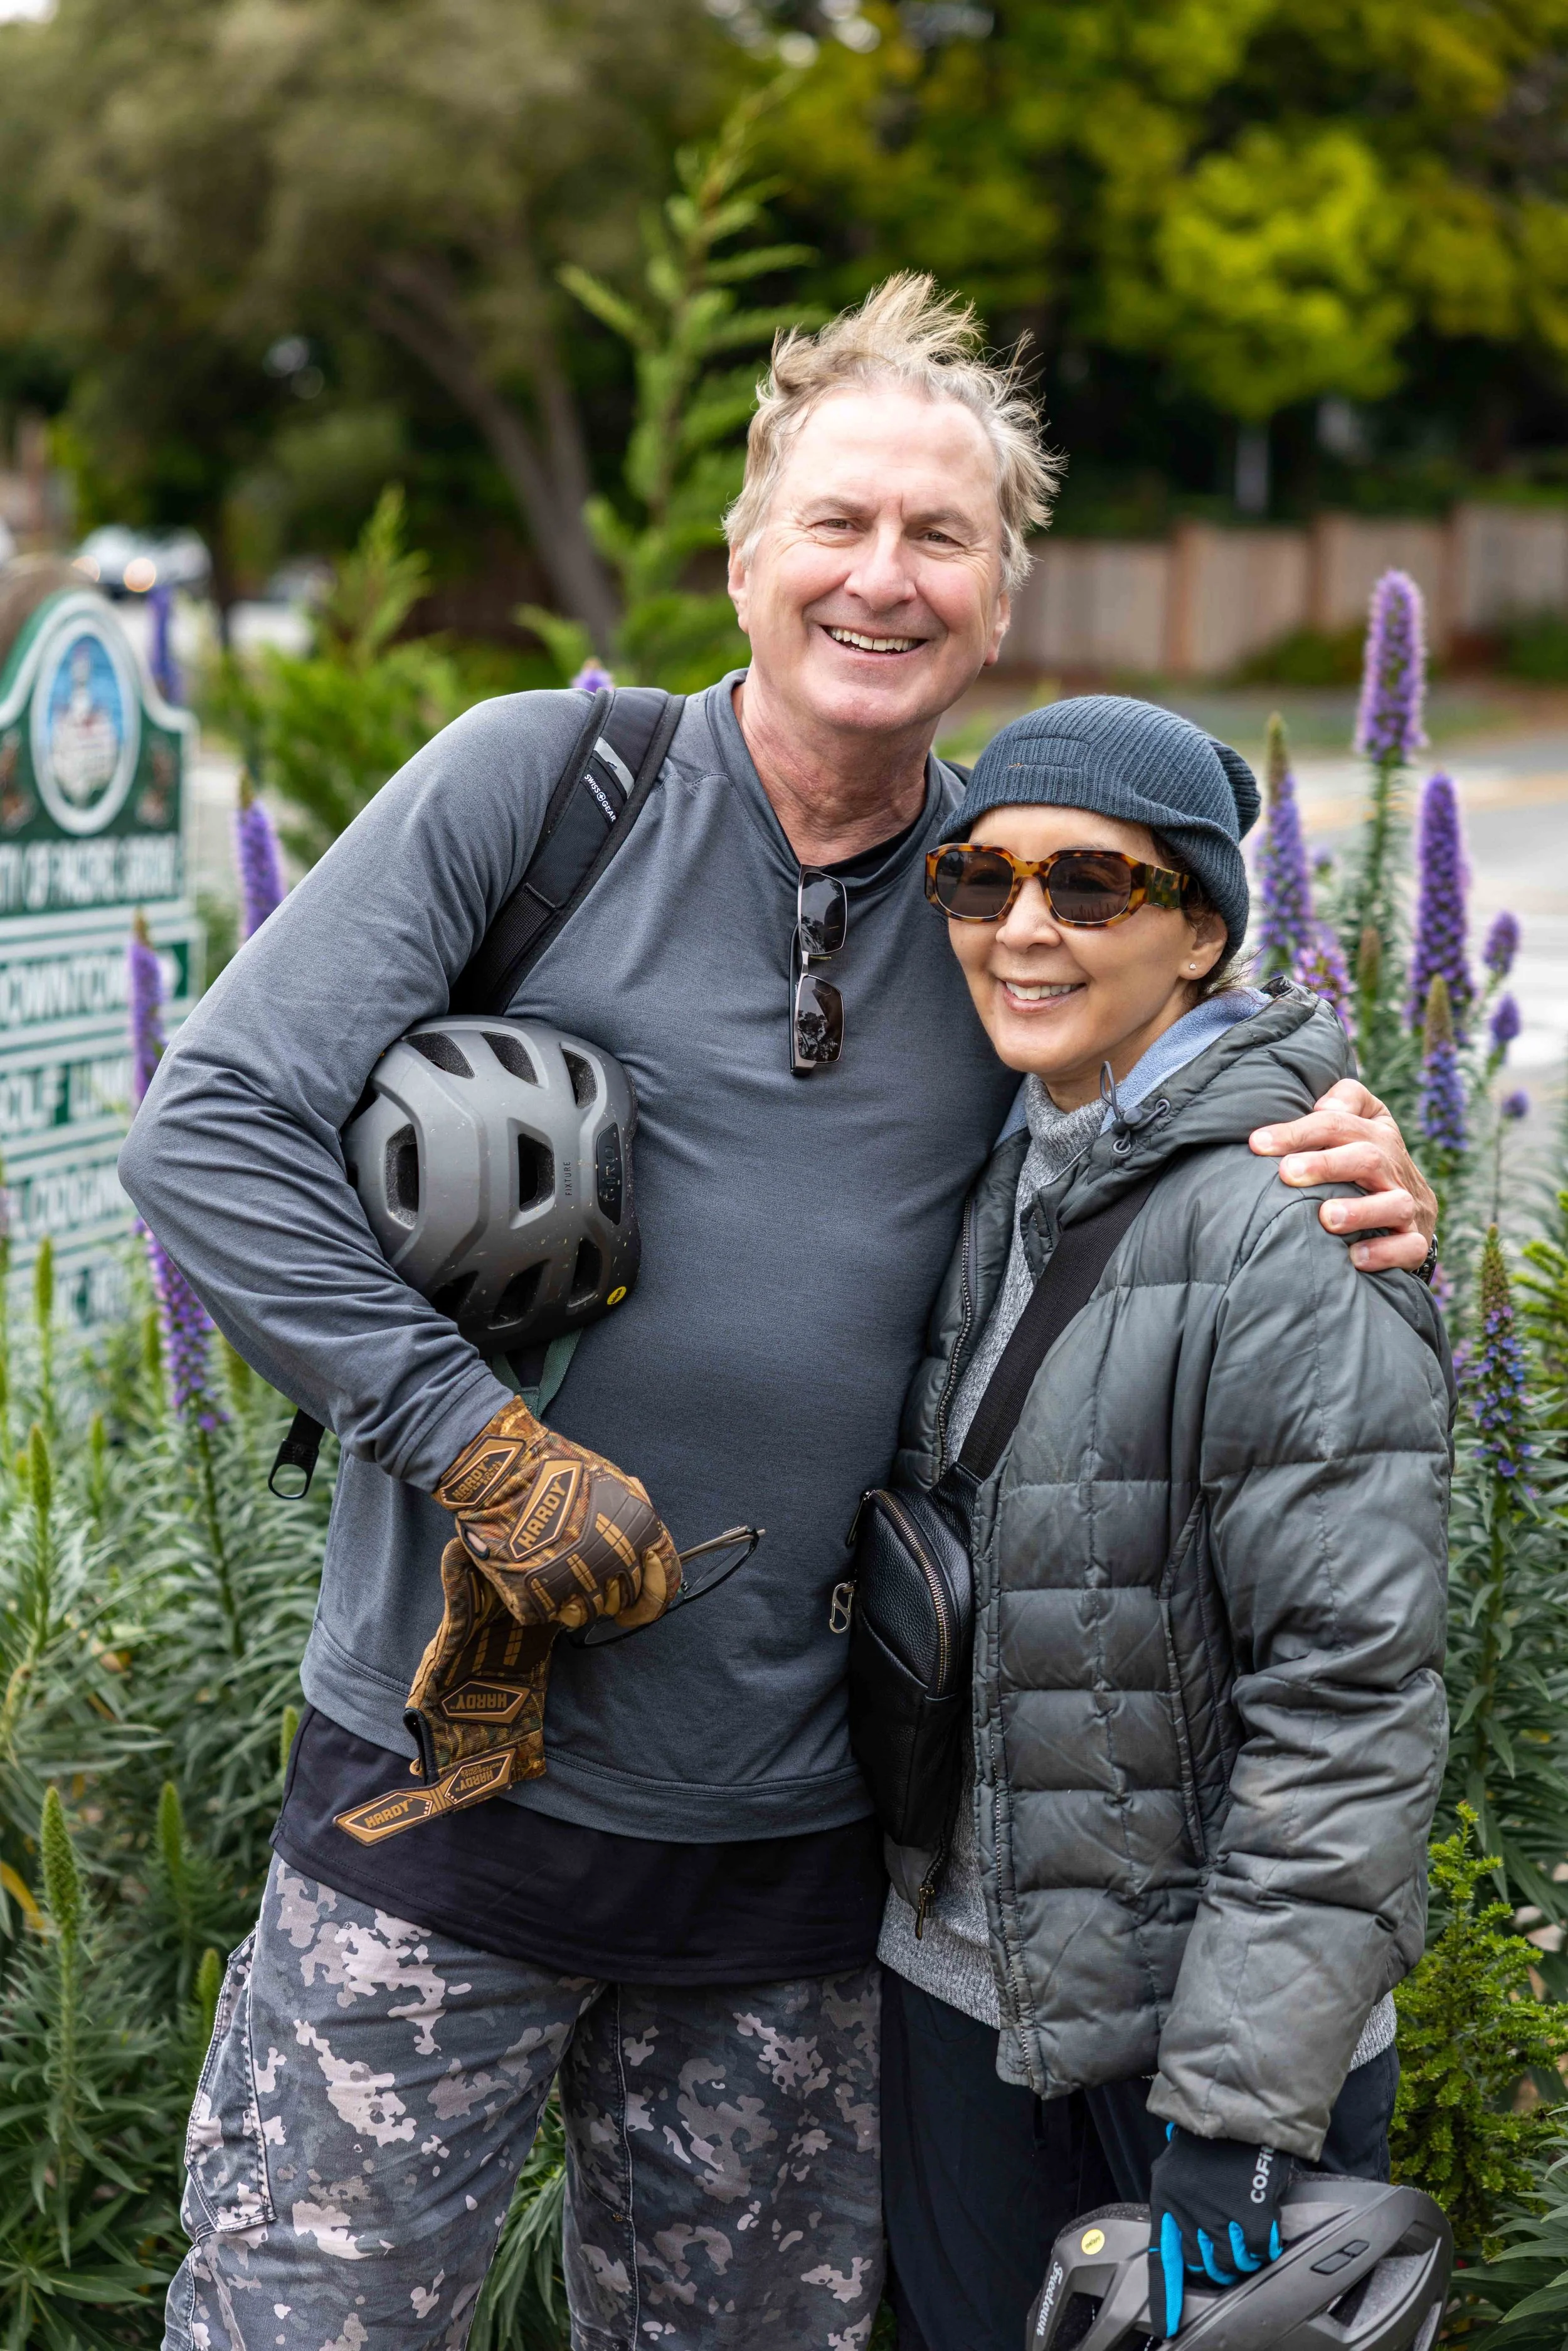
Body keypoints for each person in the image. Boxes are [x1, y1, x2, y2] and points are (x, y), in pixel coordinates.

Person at [120, 277, 1434, 2351]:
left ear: (1000, 599)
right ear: (744, 556)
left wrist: (1350, 1147)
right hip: (435, 1816)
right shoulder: (544, 789)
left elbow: (1173, 1096)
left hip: (797, 1879)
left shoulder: (1007, 913)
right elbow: (209, 1131)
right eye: (836, 522)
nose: (879, 577)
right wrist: (480, 1443)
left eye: (940, 537)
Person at [875, 696, 1452, 2351]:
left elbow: (1346, 1696)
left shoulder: (1288, 1225)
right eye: (980, 881)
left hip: (1191, 2066)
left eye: (1090, 885)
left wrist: (1242, 2103)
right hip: (965, 2005)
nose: (1023, 928)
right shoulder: (1000, 1163)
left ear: (1198, 926)